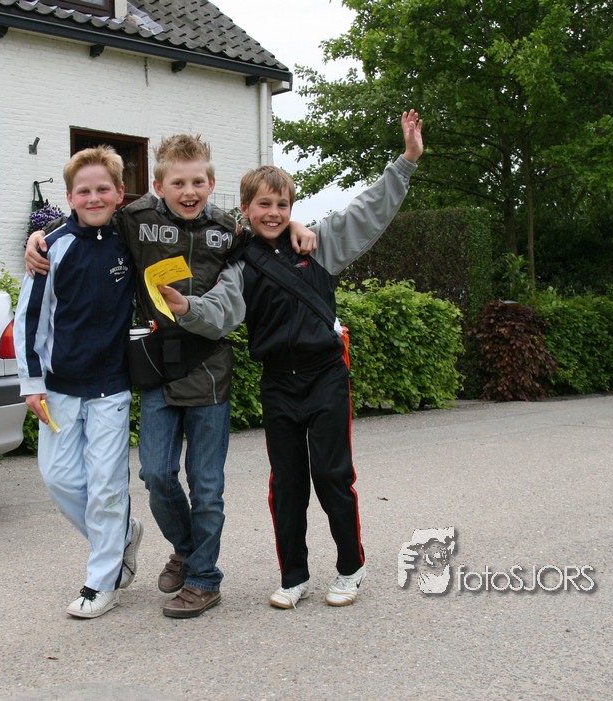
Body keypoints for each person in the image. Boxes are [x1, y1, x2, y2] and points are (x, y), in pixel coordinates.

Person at [26, 134, 317, 618]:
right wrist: (41, 236)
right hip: (157, 368)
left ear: (212, 183)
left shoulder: (227, 229)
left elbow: (267, 231)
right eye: (178, 183)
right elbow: (89, 217)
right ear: (158, 186)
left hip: (209, 371)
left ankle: (204, 578)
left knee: (206, 485)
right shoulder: (135, 219)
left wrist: (297, 225)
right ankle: (185, 548)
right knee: (156, 475)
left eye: (198, 182)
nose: (189, 191)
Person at [159, 110, 424, 609]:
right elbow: (220, 311)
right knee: (287, 485)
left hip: (326, 378)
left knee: (332, 475)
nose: (274, 213)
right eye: (264, 204)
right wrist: (187, 308)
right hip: (278, 382)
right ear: (245, 208)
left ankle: (350, 567)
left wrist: (406, 161)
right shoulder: (239, 264)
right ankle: (294, 575)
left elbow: (367, 212)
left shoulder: (316, 244)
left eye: (283, 204)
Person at [14, 146, 143, 619]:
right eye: (83, 191)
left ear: (119, 193)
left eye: (103, 189)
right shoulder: (51, 247)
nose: (94, 198)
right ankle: (121, 535)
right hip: (60, 388)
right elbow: (30, 319)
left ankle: (101, 581)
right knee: (60, 479)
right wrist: (31, 382)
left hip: (113, 387)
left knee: (106, 485)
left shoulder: (132, 241)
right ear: (69, 197)